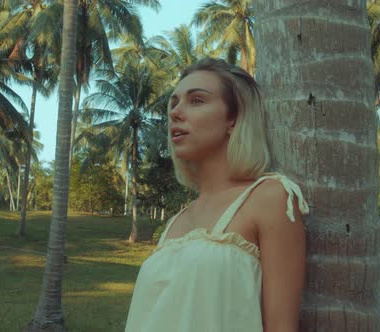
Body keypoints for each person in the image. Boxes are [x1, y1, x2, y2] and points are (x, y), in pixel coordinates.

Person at [124, 58, 309, 332]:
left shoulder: (270, 197)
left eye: (197, 100)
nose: (175, 112)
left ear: (234, 119)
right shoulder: (176, 221)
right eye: (173, 103)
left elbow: (282, 327)